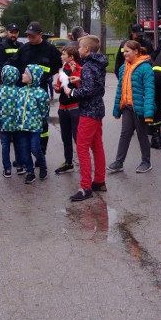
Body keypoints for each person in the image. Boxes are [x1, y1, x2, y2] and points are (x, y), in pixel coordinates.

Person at [7, 21, 63, 166]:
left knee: (42, 124)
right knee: (24, 123)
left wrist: (50, 74)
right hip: (24, 91)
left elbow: (59, 63)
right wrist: (1, 73)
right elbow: (13, 62)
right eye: (28, 36)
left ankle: (41, 154)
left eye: (33, 36)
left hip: (41, 90)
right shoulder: (24, 48)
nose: (30, 39)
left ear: (40, 35)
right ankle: (24, 157)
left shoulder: (50, 49)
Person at [62, 35, 108, 202]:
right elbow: (96, 84)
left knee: (82, 147)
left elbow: (87, 91)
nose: (78, 49)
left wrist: (72, 92)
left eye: (80, 47)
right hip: (97, 110)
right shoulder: (98, 63)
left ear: (87, 49)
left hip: (88, 112)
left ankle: (85, 187)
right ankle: (100, 181)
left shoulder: (88, 66)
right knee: (97, 146)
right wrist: (80, 78)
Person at [109, 40, 156, 174]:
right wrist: (117, 109)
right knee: (125, 134)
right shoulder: (123, 68)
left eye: (127, 51)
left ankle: (146, 162)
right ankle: (119, 162)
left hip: (139, 108)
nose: (124, 54)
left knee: (142, 135)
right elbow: (120, 90)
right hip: (127, 108)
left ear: (136, 51)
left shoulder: (145, 67)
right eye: (124, 52)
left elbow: (149, 90)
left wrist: (148, 112)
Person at [17, 65, 50, 184]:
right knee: (25, 150)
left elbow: (44, 110)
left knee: (35, 148)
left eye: (25, 73)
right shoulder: (21, 91)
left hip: (35, 126)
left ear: (32, 77)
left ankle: (42, 165)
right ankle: (30, 172)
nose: (22, 75)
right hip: (22, 127)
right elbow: (17, 108)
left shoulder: (41, 93)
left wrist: (39, 120)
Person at [54, 45, 82, 175]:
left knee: (77, 137)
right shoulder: (63, 69)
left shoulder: (79, 68)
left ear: (71, 57)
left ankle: (83, 163)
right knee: (65, 137)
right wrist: (56, 87)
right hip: (62, 107)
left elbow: (79, 86)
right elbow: (60, 87)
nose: (61, 56)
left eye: (64, 54)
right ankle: (68, 162)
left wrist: (75, 71)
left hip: (74, 108)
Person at [0, 65, 21, 178]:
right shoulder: (20, 91)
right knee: (18, 144)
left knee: (5, 145)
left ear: (3, 76)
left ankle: (7, 169)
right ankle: (19, 166)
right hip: (17, 124)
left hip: (3, 124)